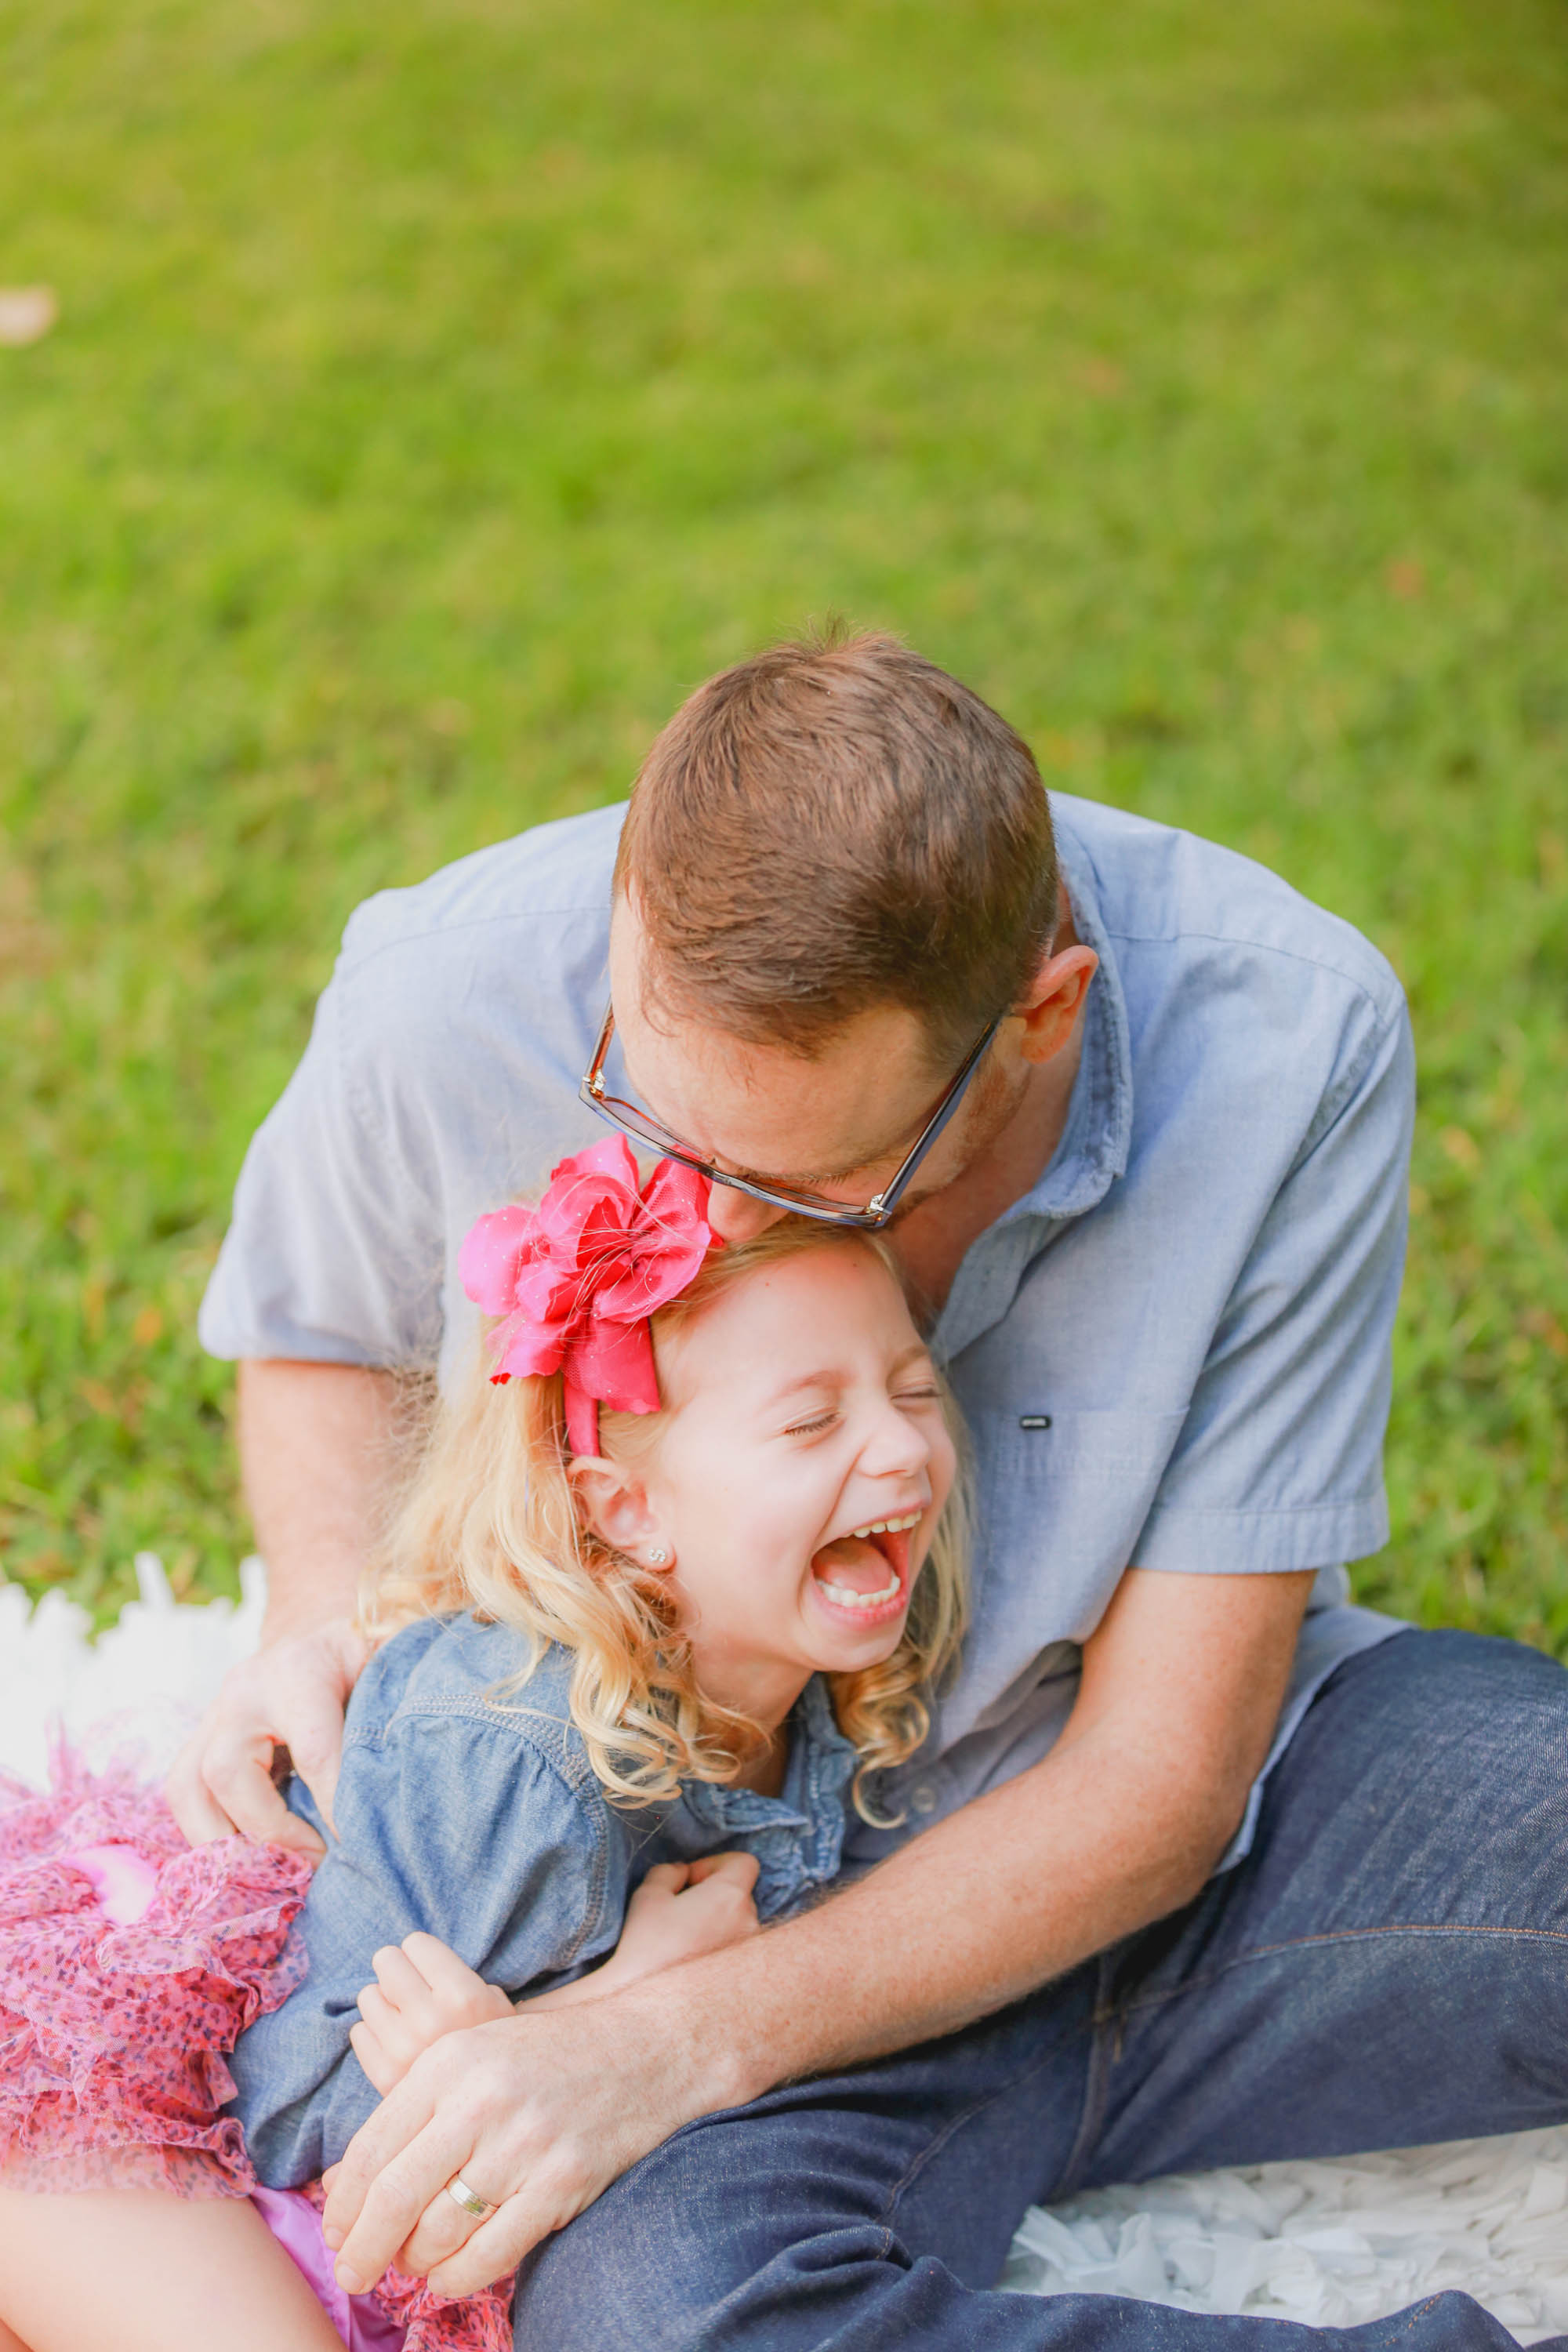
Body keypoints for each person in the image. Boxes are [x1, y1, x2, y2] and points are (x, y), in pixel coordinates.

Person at [173, 633, 1568, 2350]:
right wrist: (325, 1613)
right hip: (700, 1904)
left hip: (1219, 1864)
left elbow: (1164, 1779)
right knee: (664, 2327)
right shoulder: (451, 987)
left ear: (1040, 1011)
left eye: (809, 1181)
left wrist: (666, 2045)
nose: (710, 1207)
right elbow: (313, 1329)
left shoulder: (1285, 1035)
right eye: (655, 1114)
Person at [0, 1153, 965, 2351]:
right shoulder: (522, 1765)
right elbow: (276, 2105)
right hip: (101, 2119)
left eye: (916, 1393)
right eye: (813, 1420)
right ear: (627, 1511)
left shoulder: (799, 1702)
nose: (902, 1450)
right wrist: (610, 2007)